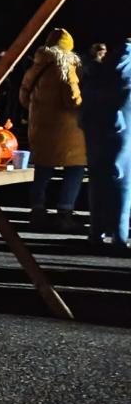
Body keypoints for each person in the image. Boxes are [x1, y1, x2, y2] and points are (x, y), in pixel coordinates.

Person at [20, 27, 86, 232]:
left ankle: (37, 212)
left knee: (42, 171)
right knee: (75, 170)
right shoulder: (66, 66)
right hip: (68, 132)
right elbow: (72, 99)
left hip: (40, 128)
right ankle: (65, 213)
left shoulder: (36, 67)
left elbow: (23, 97)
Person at [81, 38, 131, 251]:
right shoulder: (127, 73)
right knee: (122, 185)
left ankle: (96, 232)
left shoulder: (98, 72)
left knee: (97, 182)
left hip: (95, 134)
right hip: (123, 133)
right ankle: (119, 236)